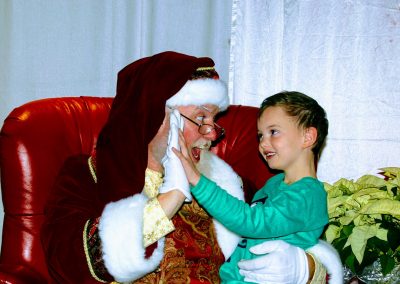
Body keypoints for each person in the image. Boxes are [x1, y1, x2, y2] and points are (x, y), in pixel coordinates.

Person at [41, 51, 342, 283]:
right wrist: (172, 195)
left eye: (214, 122)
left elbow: (297, 227)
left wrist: (307, 268)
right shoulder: (87, 176)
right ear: (157, 117)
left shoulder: (228, 184)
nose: (211, 134)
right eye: (201, 119)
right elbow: (67, 265)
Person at [173, 91, 332, 283]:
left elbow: (251, 222)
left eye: (273, 132)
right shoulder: (273, 184)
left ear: (308, 137)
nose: (263, 143)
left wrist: (196, 179)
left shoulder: (309, 195)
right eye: (260, 136)